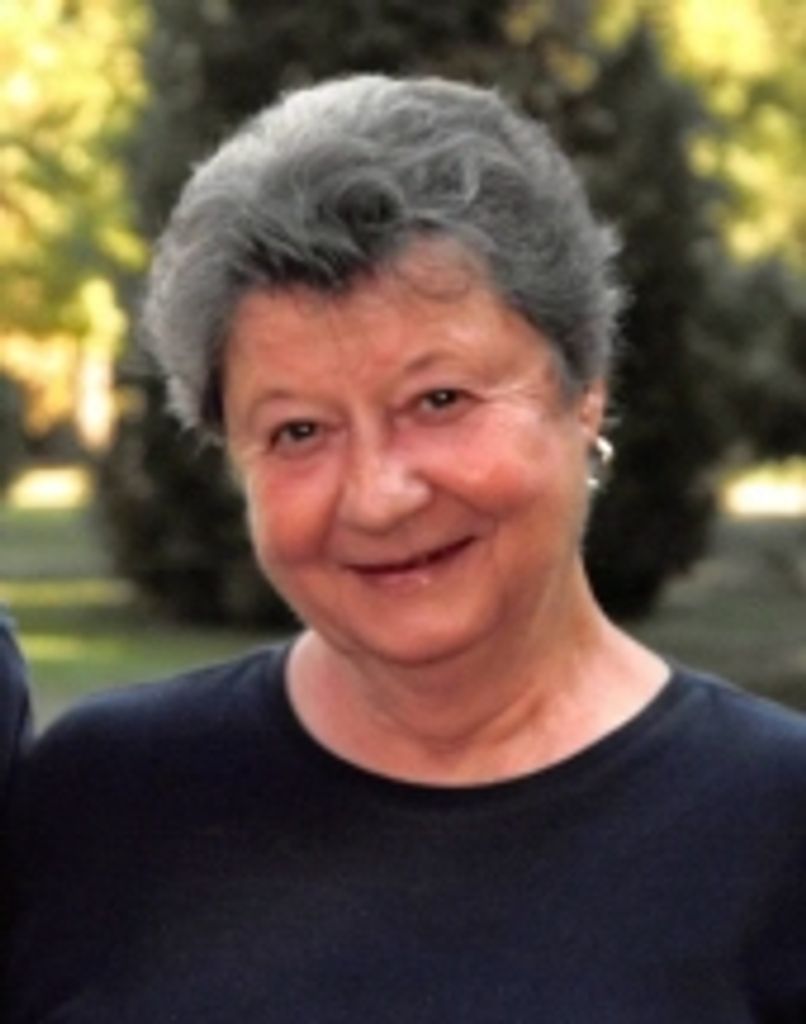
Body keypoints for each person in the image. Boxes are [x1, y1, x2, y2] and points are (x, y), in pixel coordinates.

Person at [5, 75, 806, 1022]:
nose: (379, 496)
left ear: (583, 389)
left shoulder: (778, 831)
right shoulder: (99, 799)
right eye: (299, 431)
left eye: (440, 400)